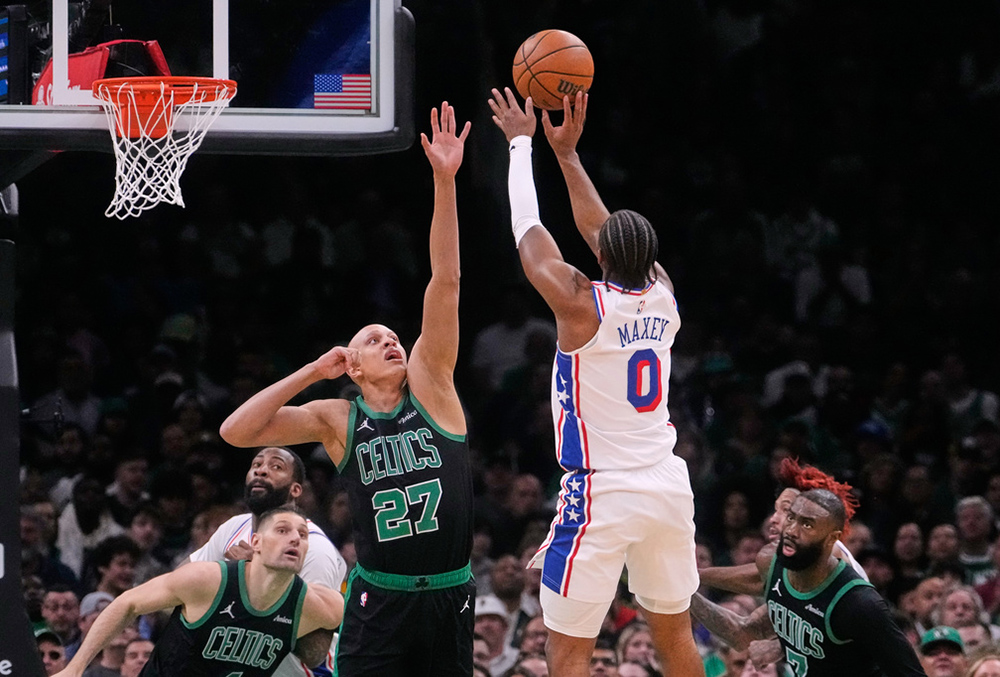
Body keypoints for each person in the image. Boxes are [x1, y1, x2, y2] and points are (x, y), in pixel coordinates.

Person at [219, 102, 475, 676]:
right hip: (378, 597)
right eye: (374, 339)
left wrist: (444, 181)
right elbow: (236, 432)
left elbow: (447, 280)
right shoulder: (338, 417)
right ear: (351, 366)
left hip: (448, 595)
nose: (392, 343)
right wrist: (312, 371)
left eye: (395, 337)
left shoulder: (432, 390)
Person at [489, 87, 702, 676]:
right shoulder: (664, 293)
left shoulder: (582, 305)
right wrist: (568, 154)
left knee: (567, 648)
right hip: (666, 484)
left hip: (602, 493)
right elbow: (606, 231)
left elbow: (527, 227)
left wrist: (520, 144)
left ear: (601, 252)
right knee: (677, 637)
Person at [52, 507, 344, 677]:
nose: (295, 538)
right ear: (255, 542)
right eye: (282, 530)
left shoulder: (316, 605)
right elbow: (128, 602)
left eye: (303, 535)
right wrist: (75, 668)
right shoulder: (208, 580)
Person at [690, 489, 926, 676]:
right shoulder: (773, 564)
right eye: (791, 518)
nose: (791, 530)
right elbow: (743, 635)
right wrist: (683, 588)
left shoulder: (858, 603)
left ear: (831, 539)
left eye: (807, 524)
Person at [185, 446, 347, 677]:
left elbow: (313, 653)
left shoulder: (314, 549)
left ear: (295, 489)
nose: (261, 471)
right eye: (256, 465)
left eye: (276, 467)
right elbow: (177, 591)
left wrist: (260, 580)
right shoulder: (233, 527)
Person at [698, 457, 866, 596]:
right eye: (776, 509)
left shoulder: (830, 550)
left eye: (787, 510)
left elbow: (760, 577)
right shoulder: (792, 571)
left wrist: (694, 574)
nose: (773, 519)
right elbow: (747, 628)